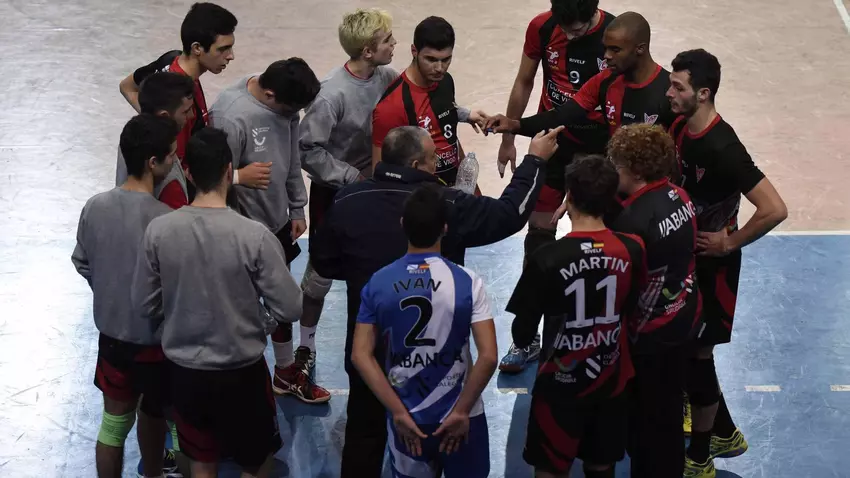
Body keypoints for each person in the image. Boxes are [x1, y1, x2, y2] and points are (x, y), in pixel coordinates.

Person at [311, 124, 563, 477]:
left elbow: (323, 261)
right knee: (450, 446)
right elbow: (508, 214)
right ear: (417, 164)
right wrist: (534, 161)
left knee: (364, 433)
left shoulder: (348, 201)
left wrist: (363, 270)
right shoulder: (445, 205)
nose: (437, 164)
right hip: (438, 367)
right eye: (432, 159)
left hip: (375, 353)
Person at [131, 127, 304, 478]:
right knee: (255, 461)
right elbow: (291, 307)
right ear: (229, 170)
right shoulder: (254, 236)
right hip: (241, 371)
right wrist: (261, 320)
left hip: (184, 371)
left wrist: (178, 317)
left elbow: (144, 304)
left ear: (189, 173)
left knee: (200, 461)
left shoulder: (159, 231)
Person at [666, 49, 788, 478]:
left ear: (703, 93)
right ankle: (724, 431)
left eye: (677, 87)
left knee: (697, 355)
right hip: (688, 260)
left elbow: (774, 208)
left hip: (713, 268)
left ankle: (701, 457)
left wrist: (729, 242)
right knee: (689, 353)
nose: (669, 93)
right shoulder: (681, 126)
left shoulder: (724, 146)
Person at [506, 154, 647, 478]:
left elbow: (522, 334)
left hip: (559, 385)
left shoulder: (547, 257)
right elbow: (636, 307)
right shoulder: (633, 249)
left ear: (568, 196)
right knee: (601, 466)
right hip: (610, 381)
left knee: (550, 469)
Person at [497, 0, 616, 374]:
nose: (569, 34)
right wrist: (509, 137)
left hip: (598, 150)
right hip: (553, 142)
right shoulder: (543, 27)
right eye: (563, 27)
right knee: (538, 237)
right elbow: (525, 80)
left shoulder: (617, 37)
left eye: (576, 29)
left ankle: (599, 334)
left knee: (601, 243)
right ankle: (526, 337)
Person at [351, 184, 498, 478]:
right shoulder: (467, 281)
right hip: (461, 415)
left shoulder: (378, 282)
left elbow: (360, 355)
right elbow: (489, 356)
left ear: (402, 225)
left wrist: (397, 412)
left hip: (409, 417)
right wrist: (462, 411)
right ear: (445, 229)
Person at [208, 57, 328, 404]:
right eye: (290, 110)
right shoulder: (230, 116)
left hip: (276, 227)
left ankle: (285, 372)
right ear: (271, 94)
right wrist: (237, 178)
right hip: (239, 233)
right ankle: (233, 378)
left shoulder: (287, 107)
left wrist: (296, 207)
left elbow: (291, 160)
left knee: (280, 303)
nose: (294, 117)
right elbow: (209, 179)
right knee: (239, 310)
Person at [72, 114, 179, 478]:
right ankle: (154, 473)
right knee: (161, 418)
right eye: (171, 155)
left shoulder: (94, 206)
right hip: (156, 345)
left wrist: (110, 290)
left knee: (113, 426)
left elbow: (82, 262)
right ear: (153, 162)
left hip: (113, 341)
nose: (175, 162)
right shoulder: (166, 220)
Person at [296, 8, 399, 383]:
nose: (394, 44)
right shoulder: (331, 95)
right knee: (318, 278)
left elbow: (420, 101)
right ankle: (305, 347)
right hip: (336, 195)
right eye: (387, 40)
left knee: (382, 269)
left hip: (377, 191)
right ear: (368, 50)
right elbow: (308, 151)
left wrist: (465, 115)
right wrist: (352, 176)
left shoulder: (387, 76)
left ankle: (385, 344)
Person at [603, 124, 701, 477]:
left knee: (647, 428)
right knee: (669, 414)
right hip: (683, 316)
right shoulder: (680, 195)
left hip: (649, 335)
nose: (612, 171)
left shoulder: (632, 220)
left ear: (636, 171)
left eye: (617, 165)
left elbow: (620, 285)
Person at [484, 12, 674, 143]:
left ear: (640, 49)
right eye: (606, 48)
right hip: (616, 180)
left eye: (615, 50)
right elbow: (562, 115)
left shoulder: (670, 91)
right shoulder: (604, 80)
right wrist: (514, 125)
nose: (606, 56)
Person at [371, 16, 488, 188]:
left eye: (446, 59)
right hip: (422, 198)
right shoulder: (391, 107)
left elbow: (449, 136)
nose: (440, 68)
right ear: (414, 51)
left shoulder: (445, 81)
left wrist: (470, 187)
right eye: (431, 59)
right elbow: (381, 174)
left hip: (454, 190)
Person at [115, 72, 195, 209]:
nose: (191, 115)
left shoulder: (130, 139)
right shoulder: (170, 182)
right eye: (185, 111)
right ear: (164, 116)